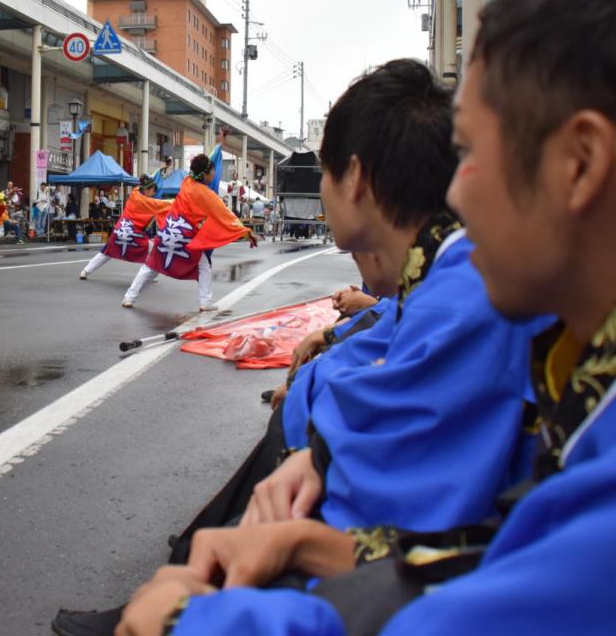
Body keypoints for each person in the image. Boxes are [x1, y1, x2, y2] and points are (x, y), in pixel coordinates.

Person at [118, 0, 616, 636]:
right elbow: (530, 551)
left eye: (469, 152)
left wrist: (181, 622)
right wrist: (323, 543)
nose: (455, 194)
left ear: (580, 163)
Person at [60, 60, 546, 636]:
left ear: (355, 179)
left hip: (406, 568)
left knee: (285, 462)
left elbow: (395, 491)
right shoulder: (456, 275)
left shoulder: (471, 287)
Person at [121, 151, 255, 311]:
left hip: (168, 230)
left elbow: (197, 170)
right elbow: (225, 214)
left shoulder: (186, 183)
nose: (214, 173)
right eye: (212, 170)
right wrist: (244, 230)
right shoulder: (207, 194)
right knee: (204, 265)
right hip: (185, 235)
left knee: (151, 266)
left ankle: (129, 297)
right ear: (204, 174)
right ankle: (205, 302)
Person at [80, 175, 171, 280]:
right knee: (153, 250)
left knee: (106, 253)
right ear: (147, 190)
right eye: (152, 191)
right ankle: (146, 277)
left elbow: (140, 185)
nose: (153, 194)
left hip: (120, 230)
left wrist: (153, 177)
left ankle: (85, 271)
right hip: (133, 235)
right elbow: (164, 204)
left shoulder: (134, 194)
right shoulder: (148, 203)